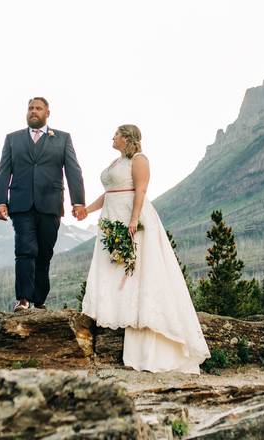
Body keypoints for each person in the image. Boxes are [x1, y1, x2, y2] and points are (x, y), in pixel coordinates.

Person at [81, 125, 210, 373]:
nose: (113, 137)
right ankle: (118, 311)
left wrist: (134, 219)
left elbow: (140, 190)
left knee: (139, 269)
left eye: (117, 134)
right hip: (111, 219)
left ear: (127, 138)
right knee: (114, 267)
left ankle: (146, 320)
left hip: (132, 219)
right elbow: (109, 194)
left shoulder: (139, 160)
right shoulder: (116, 161)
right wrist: (87, 210)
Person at [0, 97, 86, 312]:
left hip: (51, 204)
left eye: (38, 108)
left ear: (47, 113)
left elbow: (73, 171)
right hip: (21, 204)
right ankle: (23, 299)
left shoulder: (62, 139)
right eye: (30, 108)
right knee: (25, 250)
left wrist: (78, 202)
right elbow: (3, 171)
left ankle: (39, 300)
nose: (33, 111)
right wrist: (0, 201)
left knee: (44, 252)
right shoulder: (12, 139)